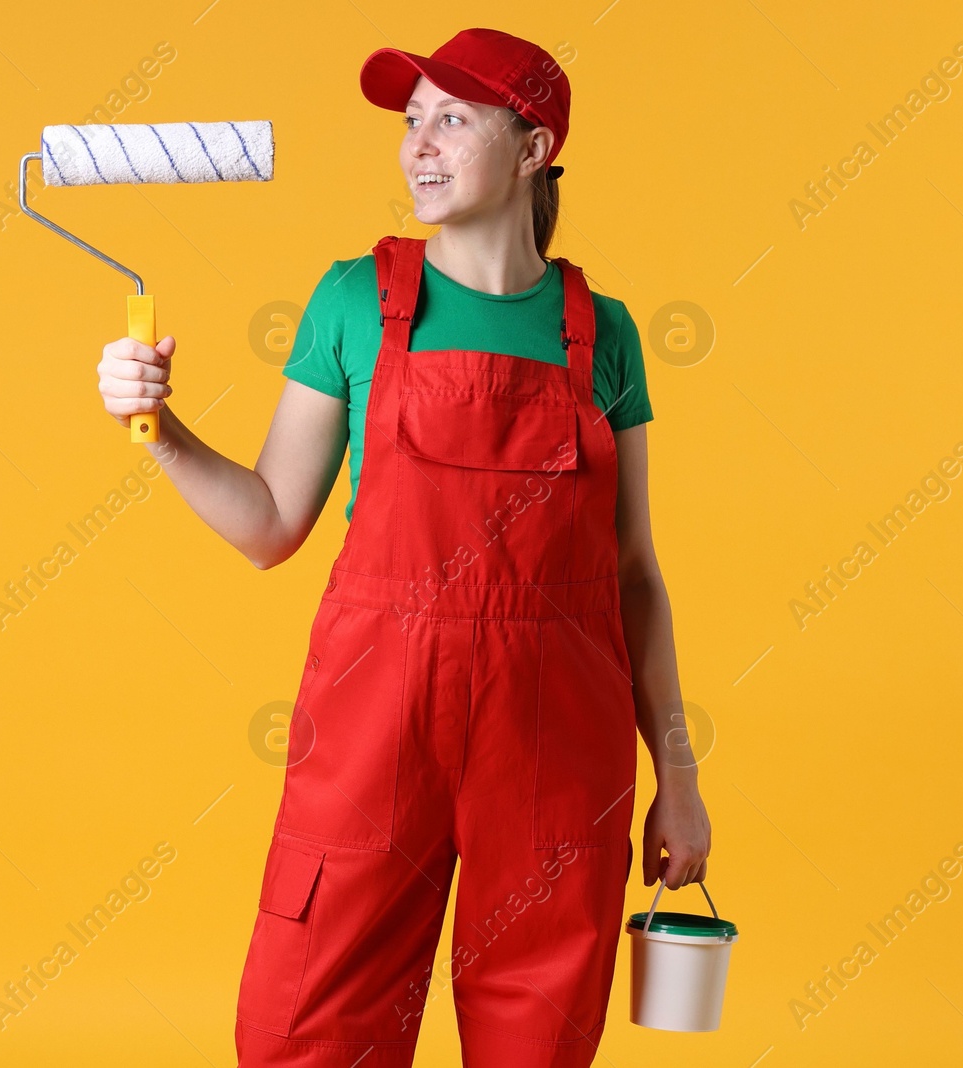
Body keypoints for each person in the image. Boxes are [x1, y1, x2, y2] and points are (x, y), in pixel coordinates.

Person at [94, 26, 711, 1068]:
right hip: (377, 719)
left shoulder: (601, 332)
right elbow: (268, 524)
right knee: (312, 1018)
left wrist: (680, 774)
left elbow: (635, 573)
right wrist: (157, 431)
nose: (417, 145)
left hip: (558, 735)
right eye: (411, 120)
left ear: (532, 149)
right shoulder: (353, 301)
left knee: (540, 1026)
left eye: (452, 120)